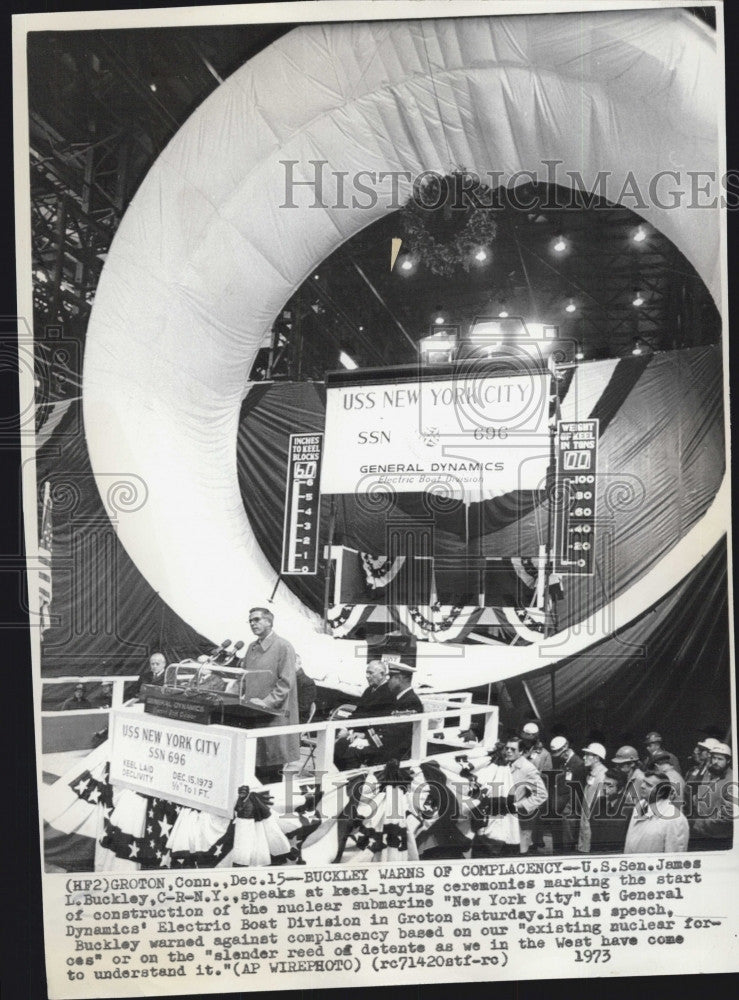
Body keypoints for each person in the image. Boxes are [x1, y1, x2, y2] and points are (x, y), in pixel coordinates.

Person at [243, 607, 299, 783]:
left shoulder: (284, 646)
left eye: (257, 619)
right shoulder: (251, 647)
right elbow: (243, 676)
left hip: (273, 718)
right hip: (252, 715)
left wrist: (266, 703)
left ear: (269, 621)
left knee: (270, 771)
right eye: (250, 620)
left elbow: (286, 683)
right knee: (253, 769)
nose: (252, 623)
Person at [501, 736, 548, 855]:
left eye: (513, 749)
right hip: (503, 820)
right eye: (507, 748)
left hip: (520, 822)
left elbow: (542, 794)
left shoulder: (527, 768)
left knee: (519, 855)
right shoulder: (504, 764)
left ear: (521, 752)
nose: (508, 751)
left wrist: (519, 805)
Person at [624, 771, 689, 854]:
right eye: (643, 782)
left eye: (649, 785)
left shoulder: (675, 818)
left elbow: (674, 859)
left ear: (661, 792)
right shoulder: (639, 807)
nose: (642, 786)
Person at [688, 742, 734, 851]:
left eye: (720, 759)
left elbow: (728, 814)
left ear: (728, 761)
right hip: (700, 832)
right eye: (714, 758)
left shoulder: (732, 781)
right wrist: (696, 800)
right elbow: (702, 793)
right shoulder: (709, 773)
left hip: (718, 837)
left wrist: (700, 822)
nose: (716, 762)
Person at [548, 735, 587, 852]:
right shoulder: (564, 762)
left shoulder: (578, 764)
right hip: (560, 809)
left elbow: (577, 792)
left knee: (567, 845)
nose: (560, 757)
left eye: (561, 754)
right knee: (558, 844)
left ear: (566, 748)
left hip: (569, 812)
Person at [589, 768, 633, 854]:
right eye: (604, 784)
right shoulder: (597, 803)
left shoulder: (629, 809)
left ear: (620, 789)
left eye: (610, 786)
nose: (605, 789)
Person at [577, 743, 608, 853]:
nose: (584, 757)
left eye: (587, 755)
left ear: (596, 758)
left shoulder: (603, 775)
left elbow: (600, 802)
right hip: (587, 818)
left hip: (592, 821)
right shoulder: (593, 773)